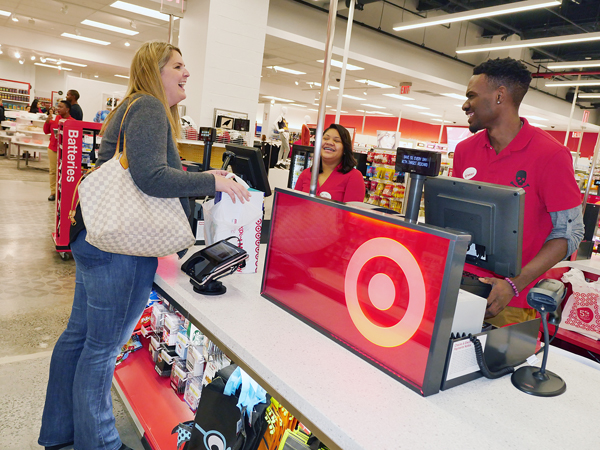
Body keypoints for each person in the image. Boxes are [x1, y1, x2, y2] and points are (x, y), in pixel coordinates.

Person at [38, 41, 249, 450]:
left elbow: (144, 169)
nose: (187, 73)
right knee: (101, 350)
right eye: (179, 66)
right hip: (121, 250)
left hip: (97, 240)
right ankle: (98, 443)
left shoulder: (131, 106)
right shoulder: (151, 108)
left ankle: (61, 432)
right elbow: (151, 178)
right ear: (156, 71)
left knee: (79, 340)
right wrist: (212, 181)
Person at [453, 57, 584, 326]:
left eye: (472, 96)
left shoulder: (551, 155)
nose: (465, 104)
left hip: (512, 302)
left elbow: (570, 232)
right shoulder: (465, 151)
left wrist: (513, 285)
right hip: (460, 288)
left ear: (500, 96)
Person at [294, 124, 365, 202]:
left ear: (345, 149)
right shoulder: (306, 174)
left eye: (336, 140)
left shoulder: (353, 176)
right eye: (326, 138)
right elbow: (294, 204)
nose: (329, 142)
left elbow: (351, 212)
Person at [43, 100, 72, 201]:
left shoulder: (72, 122)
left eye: (61, 107)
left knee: (65, 172)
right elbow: (46, 131)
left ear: (67, 109)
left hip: (67, 151)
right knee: (53, 171)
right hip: (53, 149)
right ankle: (53, 192)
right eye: (57, 107)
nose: (58, 109)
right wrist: (47, 122)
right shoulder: (55, 119)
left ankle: (64, 192)